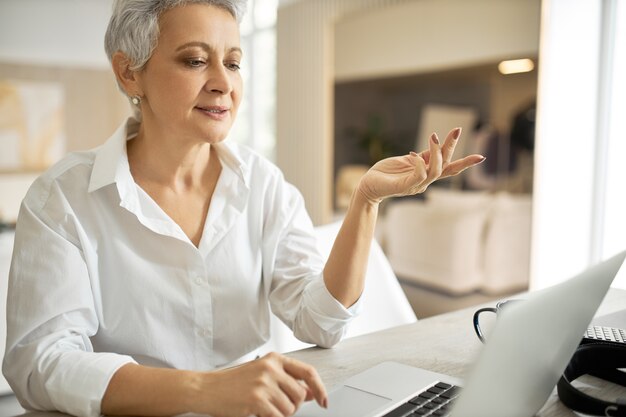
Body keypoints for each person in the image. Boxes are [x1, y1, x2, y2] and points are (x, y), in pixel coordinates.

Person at [1, 1, 485, 417]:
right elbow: (40, 362)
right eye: (194, 60)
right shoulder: (62, 198)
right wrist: (206, 390)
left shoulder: (264, 185)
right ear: (130, 72)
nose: (222, 84)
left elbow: (321, 322)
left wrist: (366, 200)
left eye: (232, 63)